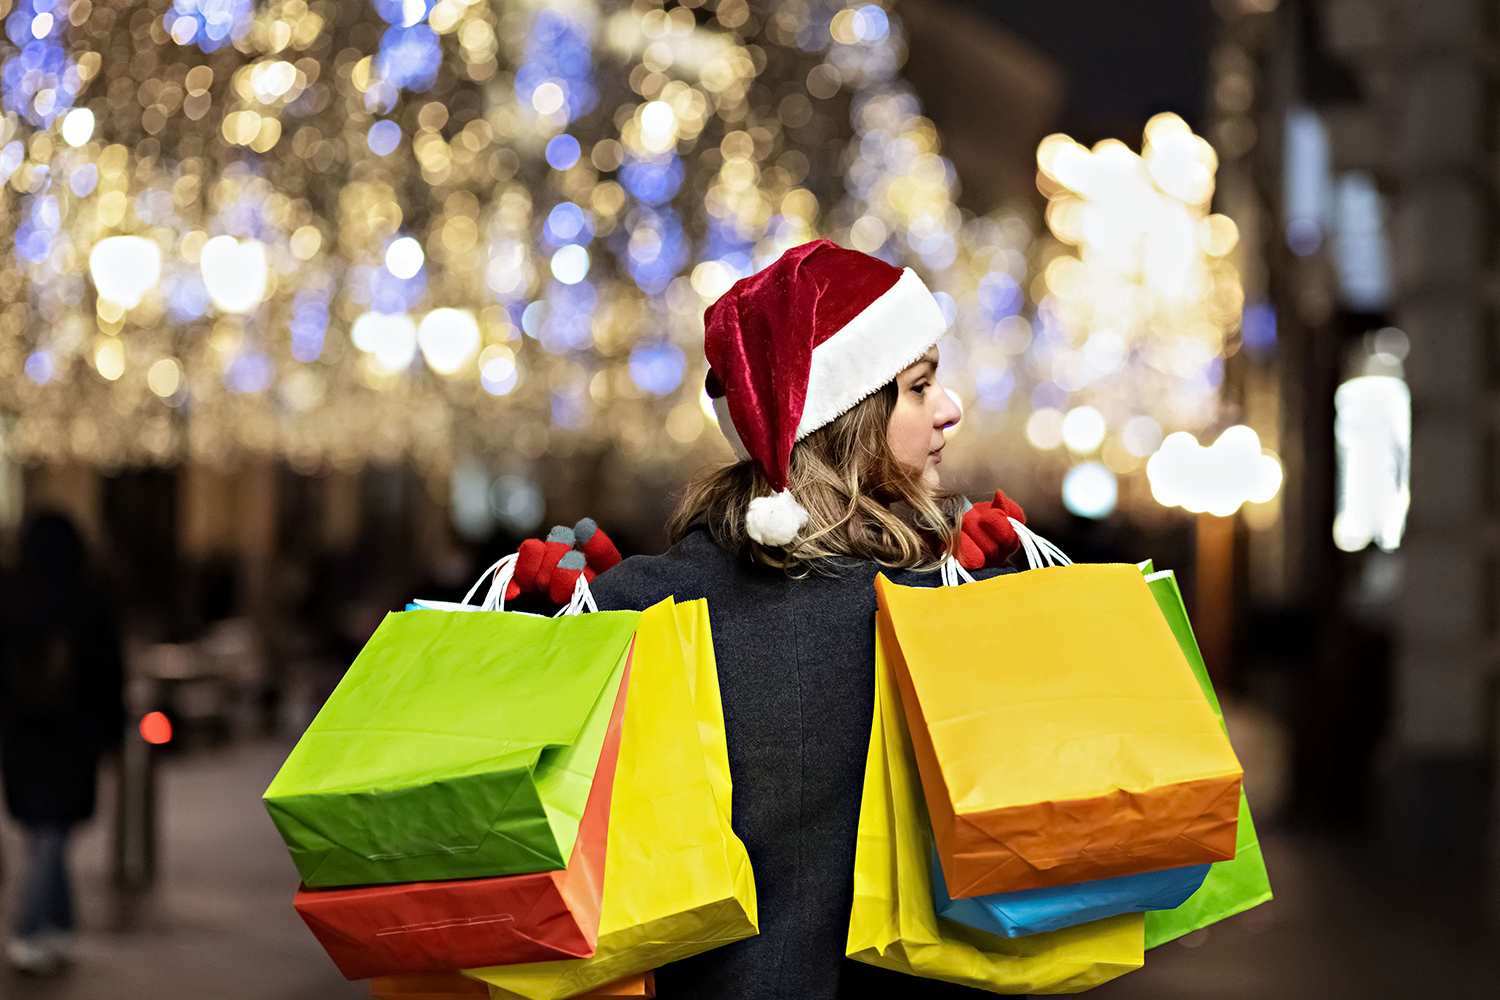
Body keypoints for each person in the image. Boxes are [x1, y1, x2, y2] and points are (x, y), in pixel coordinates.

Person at [511, 240, 1027, 998]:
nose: (949, 408)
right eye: (920, 387)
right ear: (848, 416)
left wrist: (553, 624)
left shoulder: (635, 603)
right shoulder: (943, 605)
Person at [0, 513, 125, 975]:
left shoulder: (12, 600)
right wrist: (109, 734)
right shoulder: (88, 602)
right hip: (73, 738)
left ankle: (60, 928)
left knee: (44, 835)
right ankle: (31, 928)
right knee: (53, 835)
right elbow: (109, 674)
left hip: (23, 741)